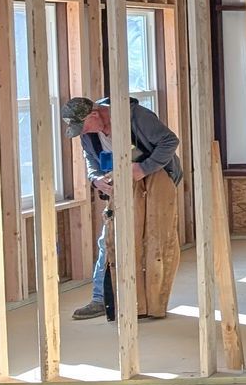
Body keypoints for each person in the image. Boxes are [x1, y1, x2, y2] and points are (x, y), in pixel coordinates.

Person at [62, 95, 183, 320]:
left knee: (156, 238)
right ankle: (102, 299)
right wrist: (95, 178)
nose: (83, 133)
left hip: (156, 178)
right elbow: (91, 161)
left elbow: (170, 141)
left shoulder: (136, 117)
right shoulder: (88, 134)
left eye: (83, 126)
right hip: (120, 182)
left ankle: (152, 303)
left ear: (95, 114)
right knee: (109, 238)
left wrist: (144, 169)